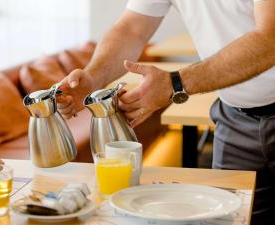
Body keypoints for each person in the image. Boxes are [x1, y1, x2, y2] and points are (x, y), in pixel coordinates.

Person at [57, 0, 275, 224]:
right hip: (235, 119)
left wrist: (175, 83)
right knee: (228, 220)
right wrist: (93, 77)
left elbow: (270, 38)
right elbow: (132, 29)